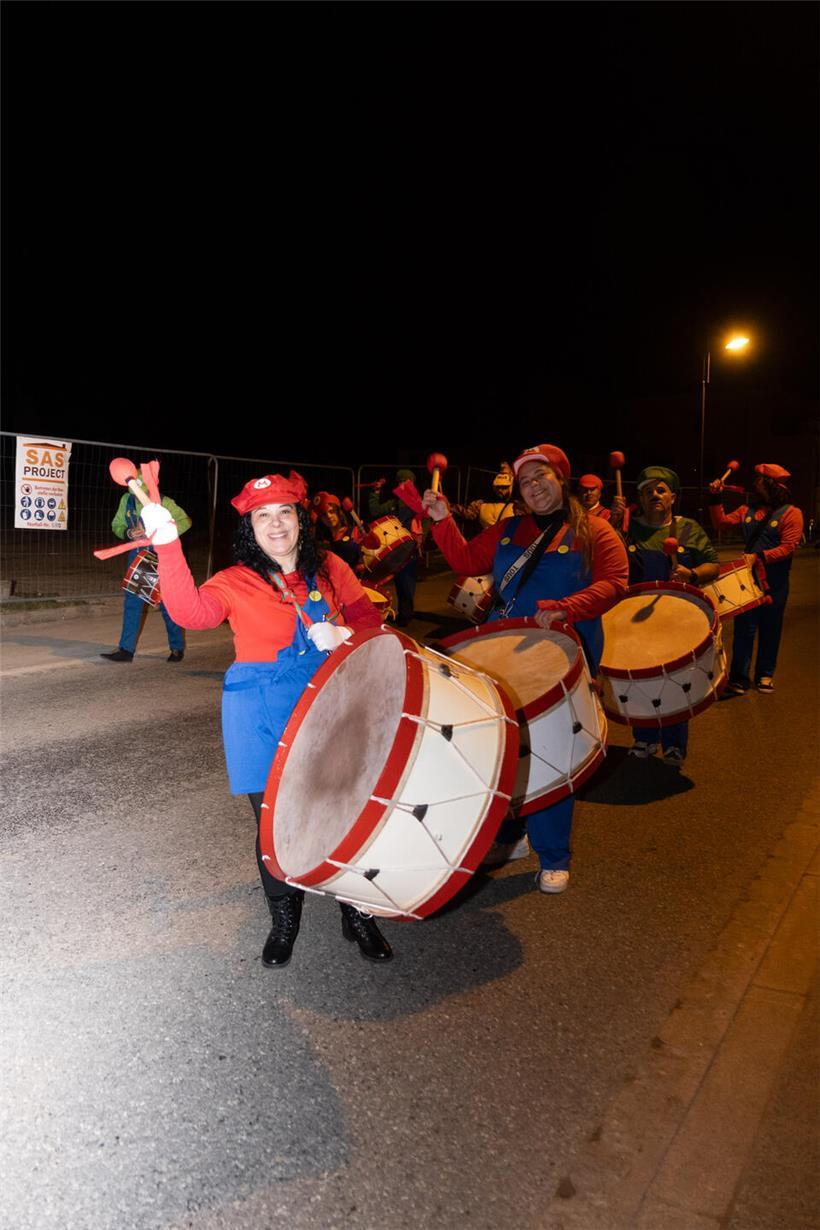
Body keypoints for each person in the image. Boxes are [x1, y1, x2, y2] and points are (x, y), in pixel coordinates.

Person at [138, 470, 393, 968]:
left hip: (330, 701)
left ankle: (356, 910)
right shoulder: (236, 579)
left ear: (301, 519)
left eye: (284, 512)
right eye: (262, 515)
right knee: (274, 823)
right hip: (259, 709)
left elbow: (372, 625)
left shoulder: (333, 569)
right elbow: (191, 613)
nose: (275, 524)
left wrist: (343, 634)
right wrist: (168, 545)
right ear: (249, 527)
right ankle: (284, 919)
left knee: (345, 808)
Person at [422, 443, 628, 895]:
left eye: (542, 477)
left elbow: (615, 582)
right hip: (504, 651)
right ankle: (510, 835)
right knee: (502, 748)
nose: (533, 488)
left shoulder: (594, 531)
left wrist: (567, 607)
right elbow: (465, 561)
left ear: (561, 478)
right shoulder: (509, 529)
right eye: (526, 482)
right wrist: (441, 520)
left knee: (553, 749)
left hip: (564, 651)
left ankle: (554, 854)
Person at [610, 465, 720, 765]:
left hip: (676, 619)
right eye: (647, 492)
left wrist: (693, 573)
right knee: (642, 680)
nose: (654, 495)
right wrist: (612, 521)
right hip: (636, 620)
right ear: (640, 499)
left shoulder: (688, 529)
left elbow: (714, 564)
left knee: (674, 679)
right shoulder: (627, 529)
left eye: (660, 490)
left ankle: (674, 744)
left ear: (673, 496)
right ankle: (644, 739)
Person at [709, 463, 803, 693]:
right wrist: (715, 497)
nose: (755, 484)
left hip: (776, 581)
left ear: (769, 484)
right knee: (744, 628)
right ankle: (739, 677)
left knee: (771, 627)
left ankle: (765, 674)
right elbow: (720, 523)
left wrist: (759, 556)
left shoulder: (792, 513)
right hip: (747, 580)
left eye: (759, 480)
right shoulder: (746, 510)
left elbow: (788, 547)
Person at [101, 470, 192, 664]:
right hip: (138, 554)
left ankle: (177, 647)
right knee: (133, 601)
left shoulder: (164, 501)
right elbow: (116, 525)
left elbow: (185, 522)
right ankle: (126, 650)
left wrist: (159, 531)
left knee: (168, 602)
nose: (137, 493)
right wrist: (128, 532)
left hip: (164, 554)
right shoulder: (127, 500)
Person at [368, 468, 419, 626]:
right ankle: (403, 612)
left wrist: (420, 538)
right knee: (399, 582)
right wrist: (375, 492)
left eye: (406, 482)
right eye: (400, 482)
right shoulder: (394, 504)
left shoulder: (417, 505)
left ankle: (406, 614)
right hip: (396, 550)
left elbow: (425, 522)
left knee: (407, 582)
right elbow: (375, 510)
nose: (403, 485)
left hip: (410, 550)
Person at [312, 491, 362, 571]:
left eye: (331, 511)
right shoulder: (321, 541)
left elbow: (375, 545)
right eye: (324, 514)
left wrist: (368, 535)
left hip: (356, 580)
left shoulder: (354, 531)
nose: (329, 516)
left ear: (338, 512)